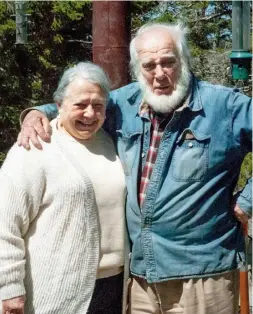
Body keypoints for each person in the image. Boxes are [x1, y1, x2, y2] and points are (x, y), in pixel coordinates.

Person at [18, 22, 252, 314]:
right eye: (149, 65)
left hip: (203, 278)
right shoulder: (125, 103)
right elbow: (82, 104)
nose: (159, 74)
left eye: (168, 62)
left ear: (184, 61)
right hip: (141, 279)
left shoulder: (224, 106)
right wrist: (38, 113)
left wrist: (247, 201)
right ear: (137, 69)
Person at [0, 62, 128, 314]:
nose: (90, 114)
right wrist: (9, 287)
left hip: (114, 286)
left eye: (98, 106)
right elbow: (5, 223)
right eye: (80, 105)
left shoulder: (112, 143)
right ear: (58, 105)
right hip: (56, 290)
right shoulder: (36, 147)